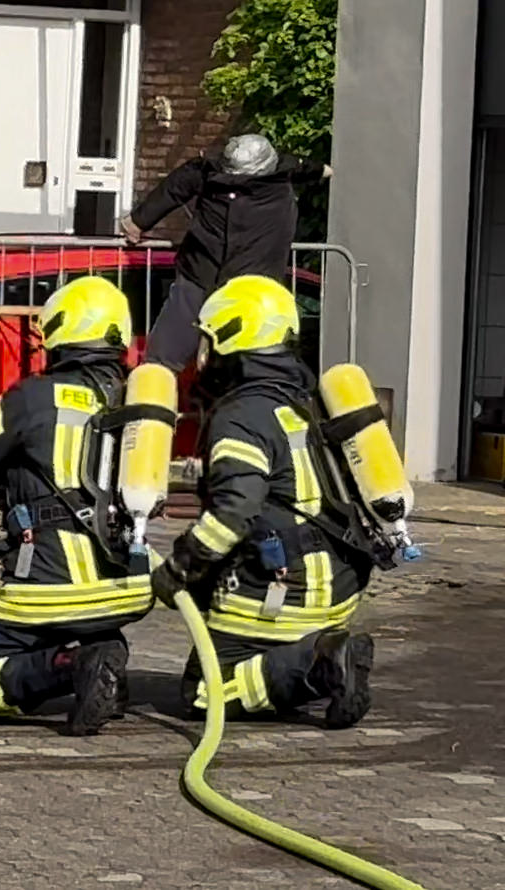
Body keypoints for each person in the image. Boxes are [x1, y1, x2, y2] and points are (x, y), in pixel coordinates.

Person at [154, 274, 377, 727]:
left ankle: (320, 662)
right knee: (246, 666)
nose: (203, 354)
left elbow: (234, 511)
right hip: (336, 585)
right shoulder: (306, 398)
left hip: (282, 592)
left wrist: (179, 568)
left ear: (232, 340)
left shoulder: (242, 415)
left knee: (204, 692)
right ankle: (312, 654)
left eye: (208, 340)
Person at [0, 275, 153, 735]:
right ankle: (103, 652)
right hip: (127, 585)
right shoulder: (138, 402)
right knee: (81, 620)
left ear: (60, 329)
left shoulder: (34, 396)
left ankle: (73, 664)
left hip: (48, 587)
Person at [123, 134, 327, 374]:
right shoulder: (212, 172)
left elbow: (306, 167)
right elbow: (177, 186)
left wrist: (138, 222)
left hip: (245, 286)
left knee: (236, 361)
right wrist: (139, 221)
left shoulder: (278, 173)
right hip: (205, 276)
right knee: (164, 360)